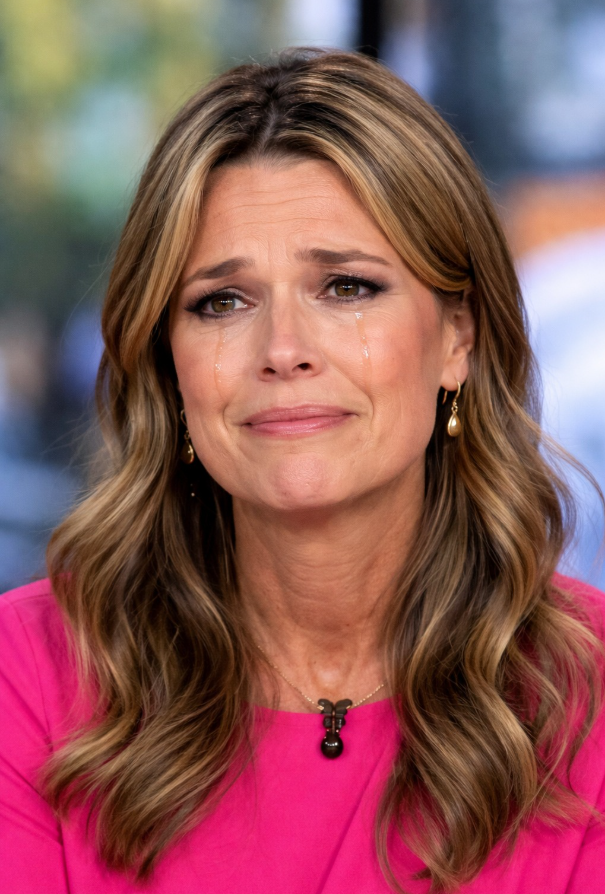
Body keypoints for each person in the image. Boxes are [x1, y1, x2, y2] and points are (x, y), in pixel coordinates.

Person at [1, 48, 604, 894]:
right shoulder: (26, 678)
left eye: (346, 288)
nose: (282, 350)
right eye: (222, 302)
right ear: (169, 364)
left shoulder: (589, 693)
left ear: (457, 338)